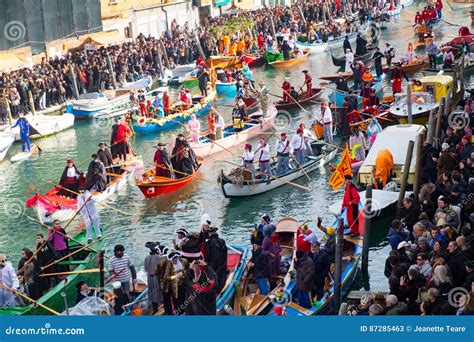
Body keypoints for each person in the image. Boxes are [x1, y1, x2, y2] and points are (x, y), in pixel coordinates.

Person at [157, 251, 189, 315]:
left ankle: (180, 312)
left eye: (174, 259)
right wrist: (175, 276)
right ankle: (169, 313)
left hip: (180, 284)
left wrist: (183, 274)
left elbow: (188, 269)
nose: (173, 261)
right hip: (168, 284)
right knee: (168, 300)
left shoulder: (184, 261)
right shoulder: (167, 265)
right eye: (172, 260)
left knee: (180, 299)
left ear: (177, 258)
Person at [204, 227, 227, 294]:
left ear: (210, 233)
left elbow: (207, 256)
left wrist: (205, 263)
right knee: (221, 275)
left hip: (213, 264)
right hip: (222, 263)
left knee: (214, 276)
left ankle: (215, 291)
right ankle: (222, 289)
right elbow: (225, 253)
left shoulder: (208, 242)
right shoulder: (222, 241)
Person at [144, 242, 165, 314]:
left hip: (150, 278)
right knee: (160, 292)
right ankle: (164, 306)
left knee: (152, 293)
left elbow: (146, 269)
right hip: (157, 278)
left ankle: (155, 309)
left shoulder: (146, 257)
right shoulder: (159, 258)